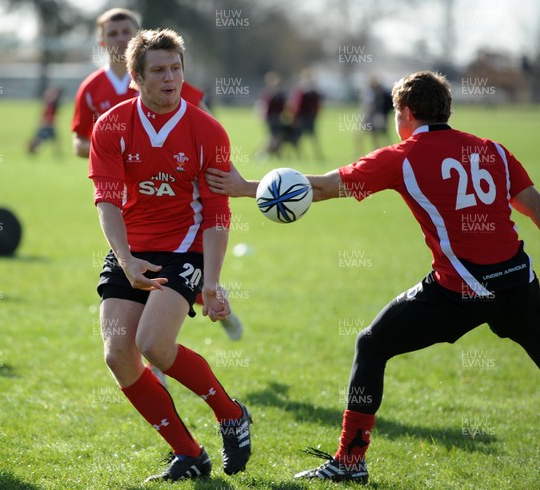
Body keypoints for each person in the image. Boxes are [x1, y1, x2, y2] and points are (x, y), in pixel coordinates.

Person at [206, 71, 540, 484]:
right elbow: (535, 209)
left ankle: (349, 461)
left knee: (372, 343)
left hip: (460, 291)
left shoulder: (403, 156)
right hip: (520, 282)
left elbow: (325, 187)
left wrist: (246, 187)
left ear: (405, 113)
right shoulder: (494, 149)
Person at [89, 28, 252, 482]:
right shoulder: (113, 126)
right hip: (130, 248)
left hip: (185, 246)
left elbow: (218, 213)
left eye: (176, 69)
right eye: (158, 70)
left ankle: (229, 413)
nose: (170, 78)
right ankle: (189, 453)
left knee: (153, 345)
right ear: (135, 76)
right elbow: (107, 201)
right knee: (118, 355)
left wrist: (213, 282)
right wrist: (125, 260)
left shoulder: (207, 130)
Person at [72, 8, 243, 344]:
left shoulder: (168, 78)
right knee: (143, 285)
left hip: (178, 205)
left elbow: (204, 137)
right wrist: (111, 148)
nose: (121, 38)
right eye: (114, 33)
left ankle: (209, 299)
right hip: (130, 201)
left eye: (127, 32)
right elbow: (79, 139)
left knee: (173, 284)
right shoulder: (92, 89)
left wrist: (243, 185)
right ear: (102, 41)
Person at [289, 68, 324, 161]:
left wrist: (296, 116)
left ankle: (303, 156)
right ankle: (305, 155)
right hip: (308, 116)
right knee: (308, 137)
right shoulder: (311, 90)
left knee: (302, 137)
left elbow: (298, 104)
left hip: (304, 117)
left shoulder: (303, 90)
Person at [27, 85, 63, 155]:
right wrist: (47, 122)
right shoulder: (51, 103)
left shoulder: (53, 102)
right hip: (47, 125)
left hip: (49, 125)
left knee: (53, 140)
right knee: (40, 139)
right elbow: (47, 114)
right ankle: (31, 148)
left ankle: (58, 154)